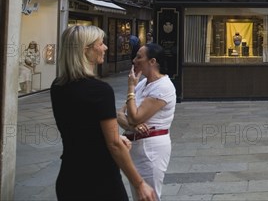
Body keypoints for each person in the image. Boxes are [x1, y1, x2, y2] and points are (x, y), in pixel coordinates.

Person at [50, 25, 156, 201]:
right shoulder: (99, 91)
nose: (105, 47)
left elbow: (79, 127)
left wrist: (113, 137)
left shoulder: (57, 86)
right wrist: (139, 184)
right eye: (101, 43)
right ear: (86, 50)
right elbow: (114, 145)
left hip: (69, 175)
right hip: (99, 179)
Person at [118, 43, 177, 199]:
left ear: (152, 61)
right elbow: (119, 114)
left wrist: (131, 87)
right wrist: (134, 125)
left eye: (139, 57)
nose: (134, 60)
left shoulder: (163, 86)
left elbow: (135, 116)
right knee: (138, 194)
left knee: (148, 195)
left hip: (151, 149)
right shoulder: (143, 83)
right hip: (136, 146)